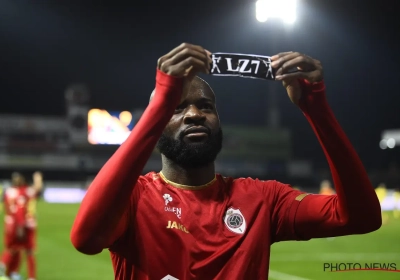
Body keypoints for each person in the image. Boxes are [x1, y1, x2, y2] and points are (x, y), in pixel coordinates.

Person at [70, 43, 381, 279]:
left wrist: (317, 108)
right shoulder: (135, 199)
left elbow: (360, 218)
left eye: (205, 106)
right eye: (177, 109)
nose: (194, 114)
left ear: (218, 120)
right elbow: (86, 238)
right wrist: (160, 102)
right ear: (157, 120)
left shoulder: (262, 200)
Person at [0, 172, 42, 280]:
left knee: (14, 249)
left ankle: (11, 272)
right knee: (22, 249)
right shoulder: (23, 191)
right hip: (23, 223)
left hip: (11, 222)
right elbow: (36, 189)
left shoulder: (9, 191)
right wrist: (38, 178)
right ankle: (7, 269)